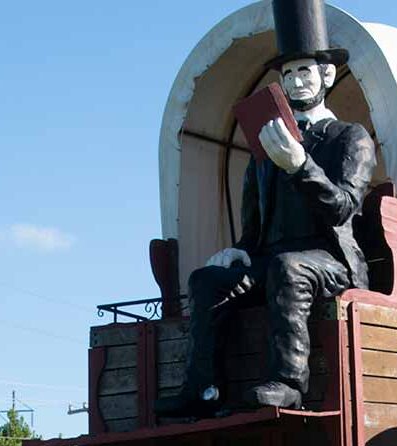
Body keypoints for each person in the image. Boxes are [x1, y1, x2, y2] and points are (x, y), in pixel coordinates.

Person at [154, 0, 377, 417]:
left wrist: (300, 165)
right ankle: (203, 390)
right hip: (271, 259)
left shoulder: (350, 138)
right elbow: (256, 218)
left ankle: (291, 383)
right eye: (288, 74)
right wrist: (242, 248)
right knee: (207, 280)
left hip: (332, 260)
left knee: (289, 267)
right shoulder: (267, 143)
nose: (295, 81)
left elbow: (343, 208)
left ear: (326, 74)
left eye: (304, 71)